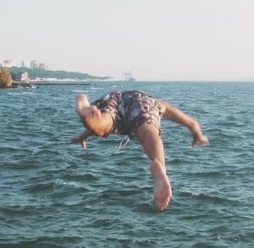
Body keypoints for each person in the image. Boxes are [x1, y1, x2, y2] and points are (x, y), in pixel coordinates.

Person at [71, 90, 209, 211]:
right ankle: (160, 165)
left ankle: (82, 104)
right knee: (149, 131)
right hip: (145, 105)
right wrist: (199, 137)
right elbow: (192, 123)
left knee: (104, 124)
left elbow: (92, 131)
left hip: (114, 98)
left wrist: (81, 137)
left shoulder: (150, 102)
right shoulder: (159, 104)